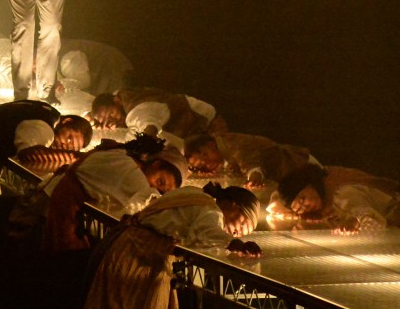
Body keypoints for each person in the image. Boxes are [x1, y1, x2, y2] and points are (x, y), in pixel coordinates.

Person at [82, 182, 262, 308]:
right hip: (139, 259)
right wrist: (236, 244)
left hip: (128, 249)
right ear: (233, 204)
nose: (238, 232)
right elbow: (205, 233)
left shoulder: (195, 193)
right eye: (243, 224)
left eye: (243, 233)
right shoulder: (210, 210)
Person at [42, 137, 189, 253]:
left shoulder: (121, 154)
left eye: (162, 190)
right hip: (53, 217)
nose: (154, 188)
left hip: (50, 204)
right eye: (160, 181)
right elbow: (153, 211)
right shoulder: (131, 173)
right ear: (155, 164)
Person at [271, 163, 400, 239]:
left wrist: (353, 223)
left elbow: (370, 220)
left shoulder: (343, 192)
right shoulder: (325, 190)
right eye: (299, 208)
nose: (306, 206)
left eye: (303, 198)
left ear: (309, 184)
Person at [184, 131, 314, 193]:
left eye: (205, 155)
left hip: (300, 165)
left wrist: (254, 177)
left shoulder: (232, 143)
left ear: (210, 144)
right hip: (287, 174)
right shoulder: (223, 155)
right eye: (202, 165)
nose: (207, 162)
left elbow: (250, 161)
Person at [90, 87, 227, 147]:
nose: (113, 120)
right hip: (196, 120)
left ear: (117, 101)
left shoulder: (136, 110)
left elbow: (148, 124)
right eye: (107, 121)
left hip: (204, 121)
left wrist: (142, 147)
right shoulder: (126, 96)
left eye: (112, 114)